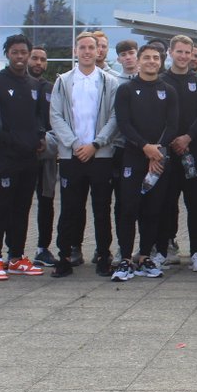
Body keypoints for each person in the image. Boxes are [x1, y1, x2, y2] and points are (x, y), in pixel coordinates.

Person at [49, 31, 120, 278]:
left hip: (100, 155)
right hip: (72, 156)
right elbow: (55, 116)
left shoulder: (109, 82)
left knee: (102, 207)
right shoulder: (64, 81)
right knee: (70, 208)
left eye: (93, 48)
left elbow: (115, 117)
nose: (88, 52)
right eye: (83, 48)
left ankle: (103, 256)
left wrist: (96, 144)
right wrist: (73, 143)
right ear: (75, 51)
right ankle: (65, 257)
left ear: (99, 51)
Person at [0, 34, 47, 280]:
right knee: (1, 206)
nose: (20, 57)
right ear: (7, 54)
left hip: (29, 158)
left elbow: (40, 118)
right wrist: (7, 140)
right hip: (4, 157)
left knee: (23, 207)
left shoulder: (34, 85)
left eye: (23, 52)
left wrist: (39, 137)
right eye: (15, 52)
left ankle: (16, 256)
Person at [111, 41, 179, 281]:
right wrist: (145, 147)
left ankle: (144, 256)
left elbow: (172, 125)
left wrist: (156, 151)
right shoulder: (126, 90)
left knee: (153, 210)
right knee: (129, 208)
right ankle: (126, 259)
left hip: (159, 159)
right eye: (147, 57)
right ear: (139, 61)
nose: (152, 61)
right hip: (133, 156)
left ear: (161, 62)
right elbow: (124, 124)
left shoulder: (168, 90)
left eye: (156, 58)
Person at [163, 35, 197, 271]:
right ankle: (168, 247)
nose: (184, 57)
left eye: (188, 53)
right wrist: (171, 140)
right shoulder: (161, 81)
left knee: (195, 202)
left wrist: (187, 137)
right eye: (179, 52)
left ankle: (196, 251)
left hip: (192, 150)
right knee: (167, 201)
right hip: (167, 151)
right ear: (171, 53)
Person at [27, 46, 59, 266]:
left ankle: (43, 248)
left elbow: (58, 118)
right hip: (22, 153)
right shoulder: (16, 84)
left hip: (46, 152)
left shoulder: (52, 88)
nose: (38, 62)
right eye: (35, 58)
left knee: (46, 200)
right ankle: (14, 250)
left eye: (43, 59)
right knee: (19, 201)